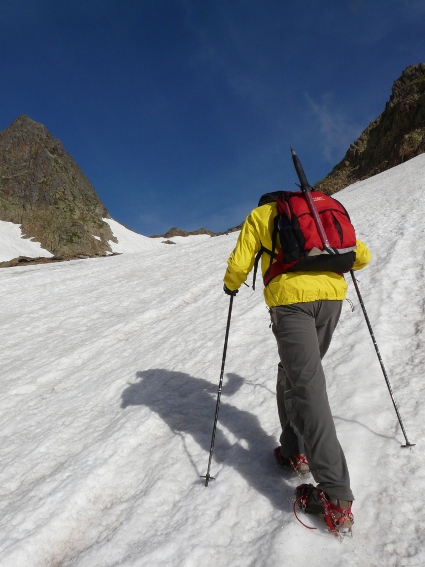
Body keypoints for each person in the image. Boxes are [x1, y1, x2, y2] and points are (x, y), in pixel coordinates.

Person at [222, 192, 370, 534]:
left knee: (308, 389)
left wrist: (231, 286)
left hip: (291, 304)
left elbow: (239, 265)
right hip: (331, 298)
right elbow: (360, 254)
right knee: (291, 372)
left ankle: (336, 497)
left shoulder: (261, 216)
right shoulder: (319, 211)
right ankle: (294, 449)